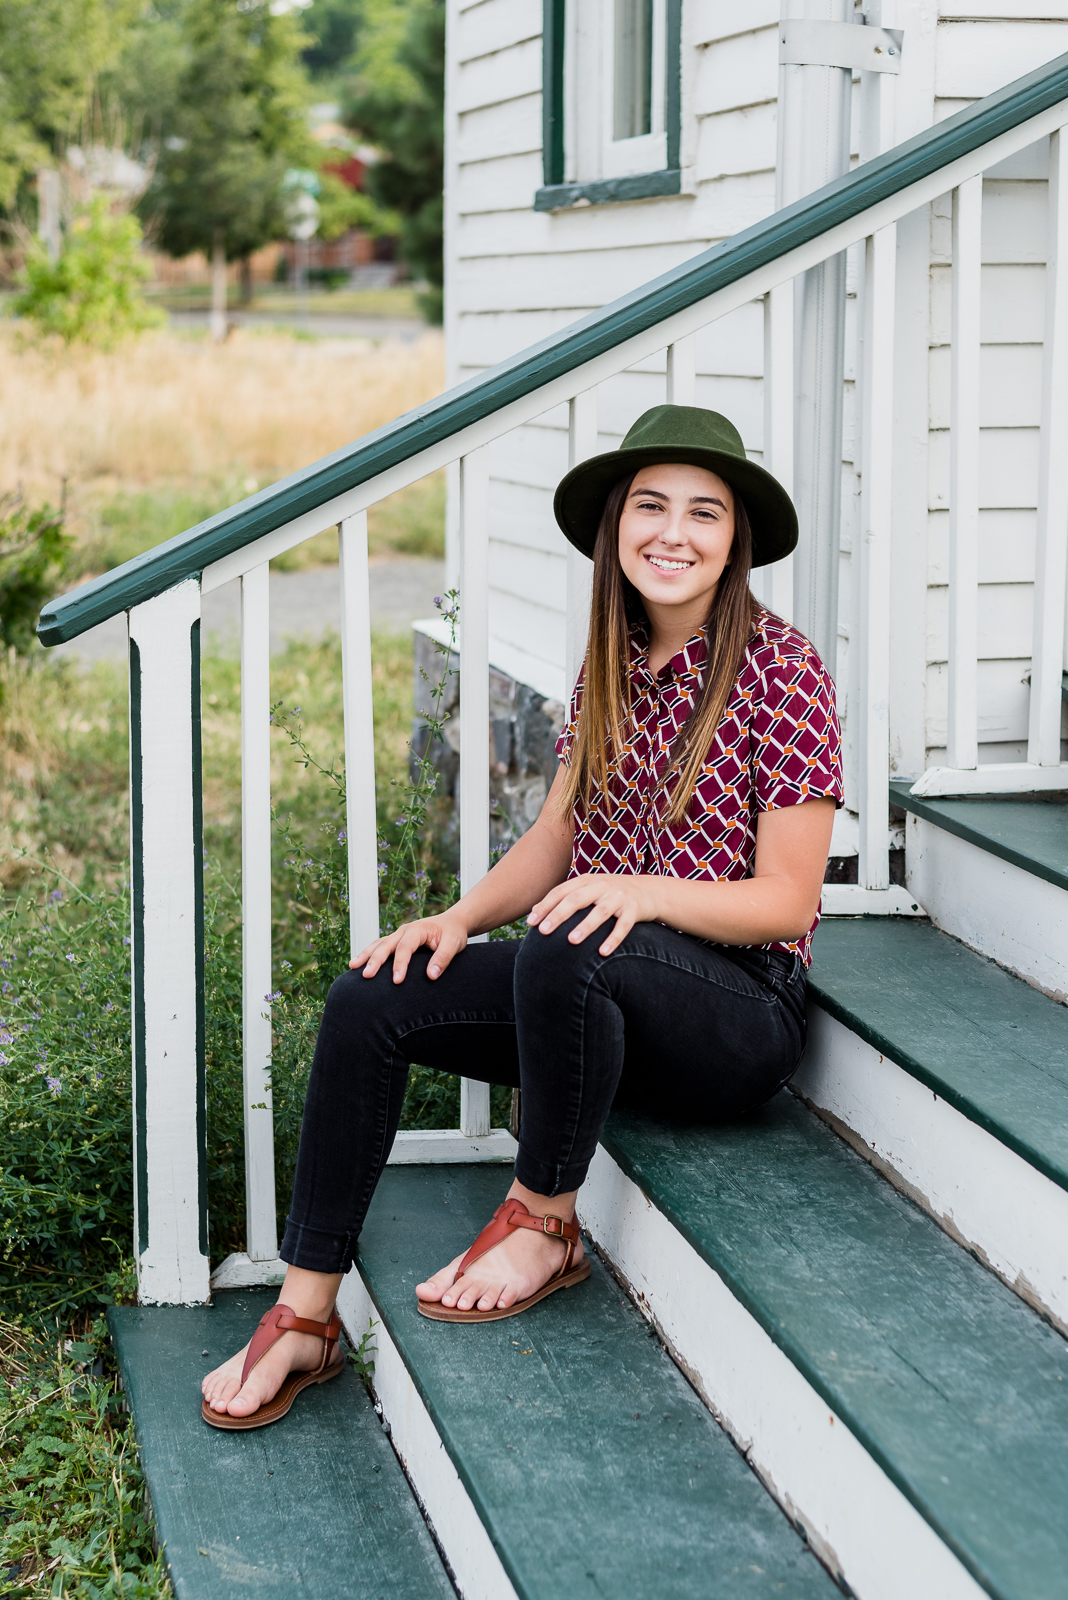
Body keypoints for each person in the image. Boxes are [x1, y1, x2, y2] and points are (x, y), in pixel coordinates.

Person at [202, 405, 842, 1430]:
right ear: (615, 526)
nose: (674, 533)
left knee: (571, 931)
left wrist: (637, 892)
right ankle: (307, 1311)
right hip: (595, 986)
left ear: (737, 540)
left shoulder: (785, 672)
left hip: (735, 1016)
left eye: (705, 513)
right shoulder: (608, 664)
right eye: (651, 507)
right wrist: (456, 919)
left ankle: (545, 1220)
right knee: (373, 993)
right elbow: (557, 834)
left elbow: (787, 902)